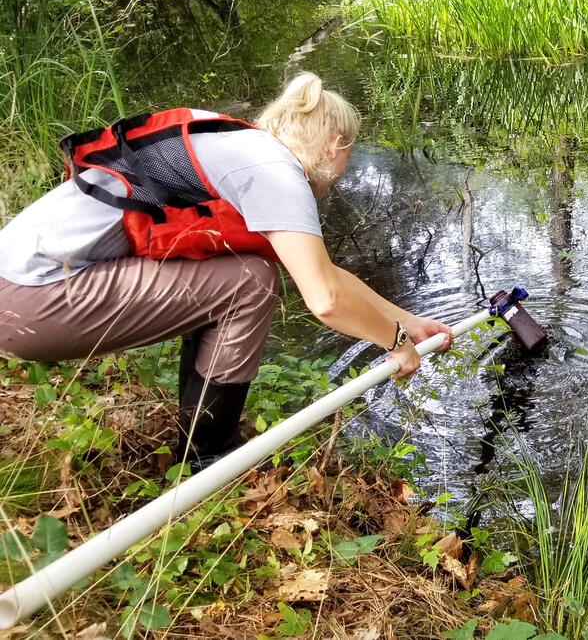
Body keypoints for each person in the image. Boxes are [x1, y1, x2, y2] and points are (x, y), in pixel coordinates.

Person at [0, 73, 452, 471]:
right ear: (335, 144)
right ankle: (208, 458)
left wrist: (408, 322)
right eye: (349, 153)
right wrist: (392, 341)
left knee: (243, 272)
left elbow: (324, 273)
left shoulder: (241, 147)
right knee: (250, 281)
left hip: (21, 288)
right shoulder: (276, 173)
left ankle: (200, 443)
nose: (344, 167)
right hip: (28, 303)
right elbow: (326, 300)